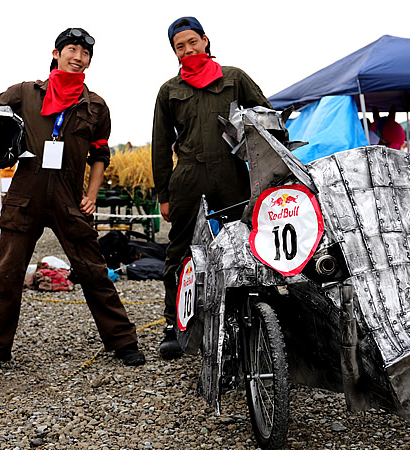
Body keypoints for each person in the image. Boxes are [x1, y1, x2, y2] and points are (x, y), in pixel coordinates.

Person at [0, 28, 145, 379]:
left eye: (85, 53)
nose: (78, 57)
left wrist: (90, 195)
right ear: (56, 53)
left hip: (68, 197)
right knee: (6, 273)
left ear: (89, 61)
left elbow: (100, 155)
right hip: (25, 193)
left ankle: (123, 342)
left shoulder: (95, 106)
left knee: (93, 270)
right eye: (71, 49)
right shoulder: (26, 92)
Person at [152, 16, 272, 358]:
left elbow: (267, 120)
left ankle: (252, 320)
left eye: (192, 42)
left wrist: (268, 172)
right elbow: (161, 145)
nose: (188, 50)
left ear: (205, 40)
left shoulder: (234, 79)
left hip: (231, 173)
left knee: (245, 243)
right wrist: (164, 195)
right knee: (179, 252)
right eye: (180, 46)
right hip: (188, 177)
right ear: (174, 52)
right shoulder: (169, 90)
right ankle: (174, 326)